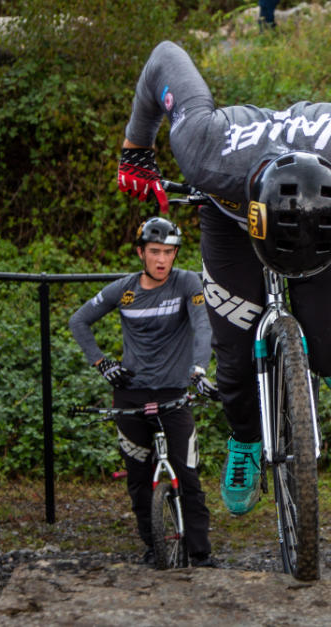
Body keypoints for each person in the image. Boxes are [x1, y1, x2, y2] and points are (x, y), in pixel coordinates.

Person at [114, 34, 331, 516]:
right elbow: (165, 58)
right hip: (232, 219)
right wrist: (136, 148)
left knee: (329, 353)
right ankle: (243, 442)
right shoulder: (204, 150)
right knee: (234, 353)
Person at [69, 217, 216, 566]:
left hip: (174, 394)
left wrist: (198, 370)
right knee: (137, 481)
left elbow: (202, 325)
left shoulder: (186, 282)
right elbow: (78, 321)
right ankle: (153, 547)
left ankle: (200, 553)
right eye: (154, 252)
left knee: (188, 475)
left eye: (168, 252)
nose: (162, 259)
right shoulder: (124, 289)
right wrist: (102, 364)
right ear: (140, 252)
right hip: (130, 396)